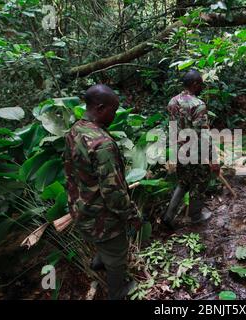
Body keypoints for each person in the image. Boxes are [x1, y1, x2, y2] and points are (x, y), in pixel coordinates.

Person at [64, 84, 139, 300]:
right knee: (117, 256)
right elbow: (114, 194)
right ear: (100, 107)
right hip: (102, 217)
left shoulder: (75, 130)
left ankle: (98, 262)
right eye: (113, 111)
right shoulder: (103, 144)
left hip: (81, 208)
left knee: (101, 243)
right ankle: (117, 292)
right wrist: (132, 215)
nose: (114, 115)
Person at [163, 69, 214, 229]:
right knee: (199, 182)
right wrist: (212, 158)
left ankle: (168, 216)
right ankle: (196, 216)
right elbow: (203, 134)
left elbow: (172, 128)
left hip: (179, 149)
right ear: (194, 84)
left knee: (184, 181)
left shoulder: (172, 101)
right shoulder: (198, 104)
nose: (202, 88)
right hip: (195, 152)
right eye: (200, 85)